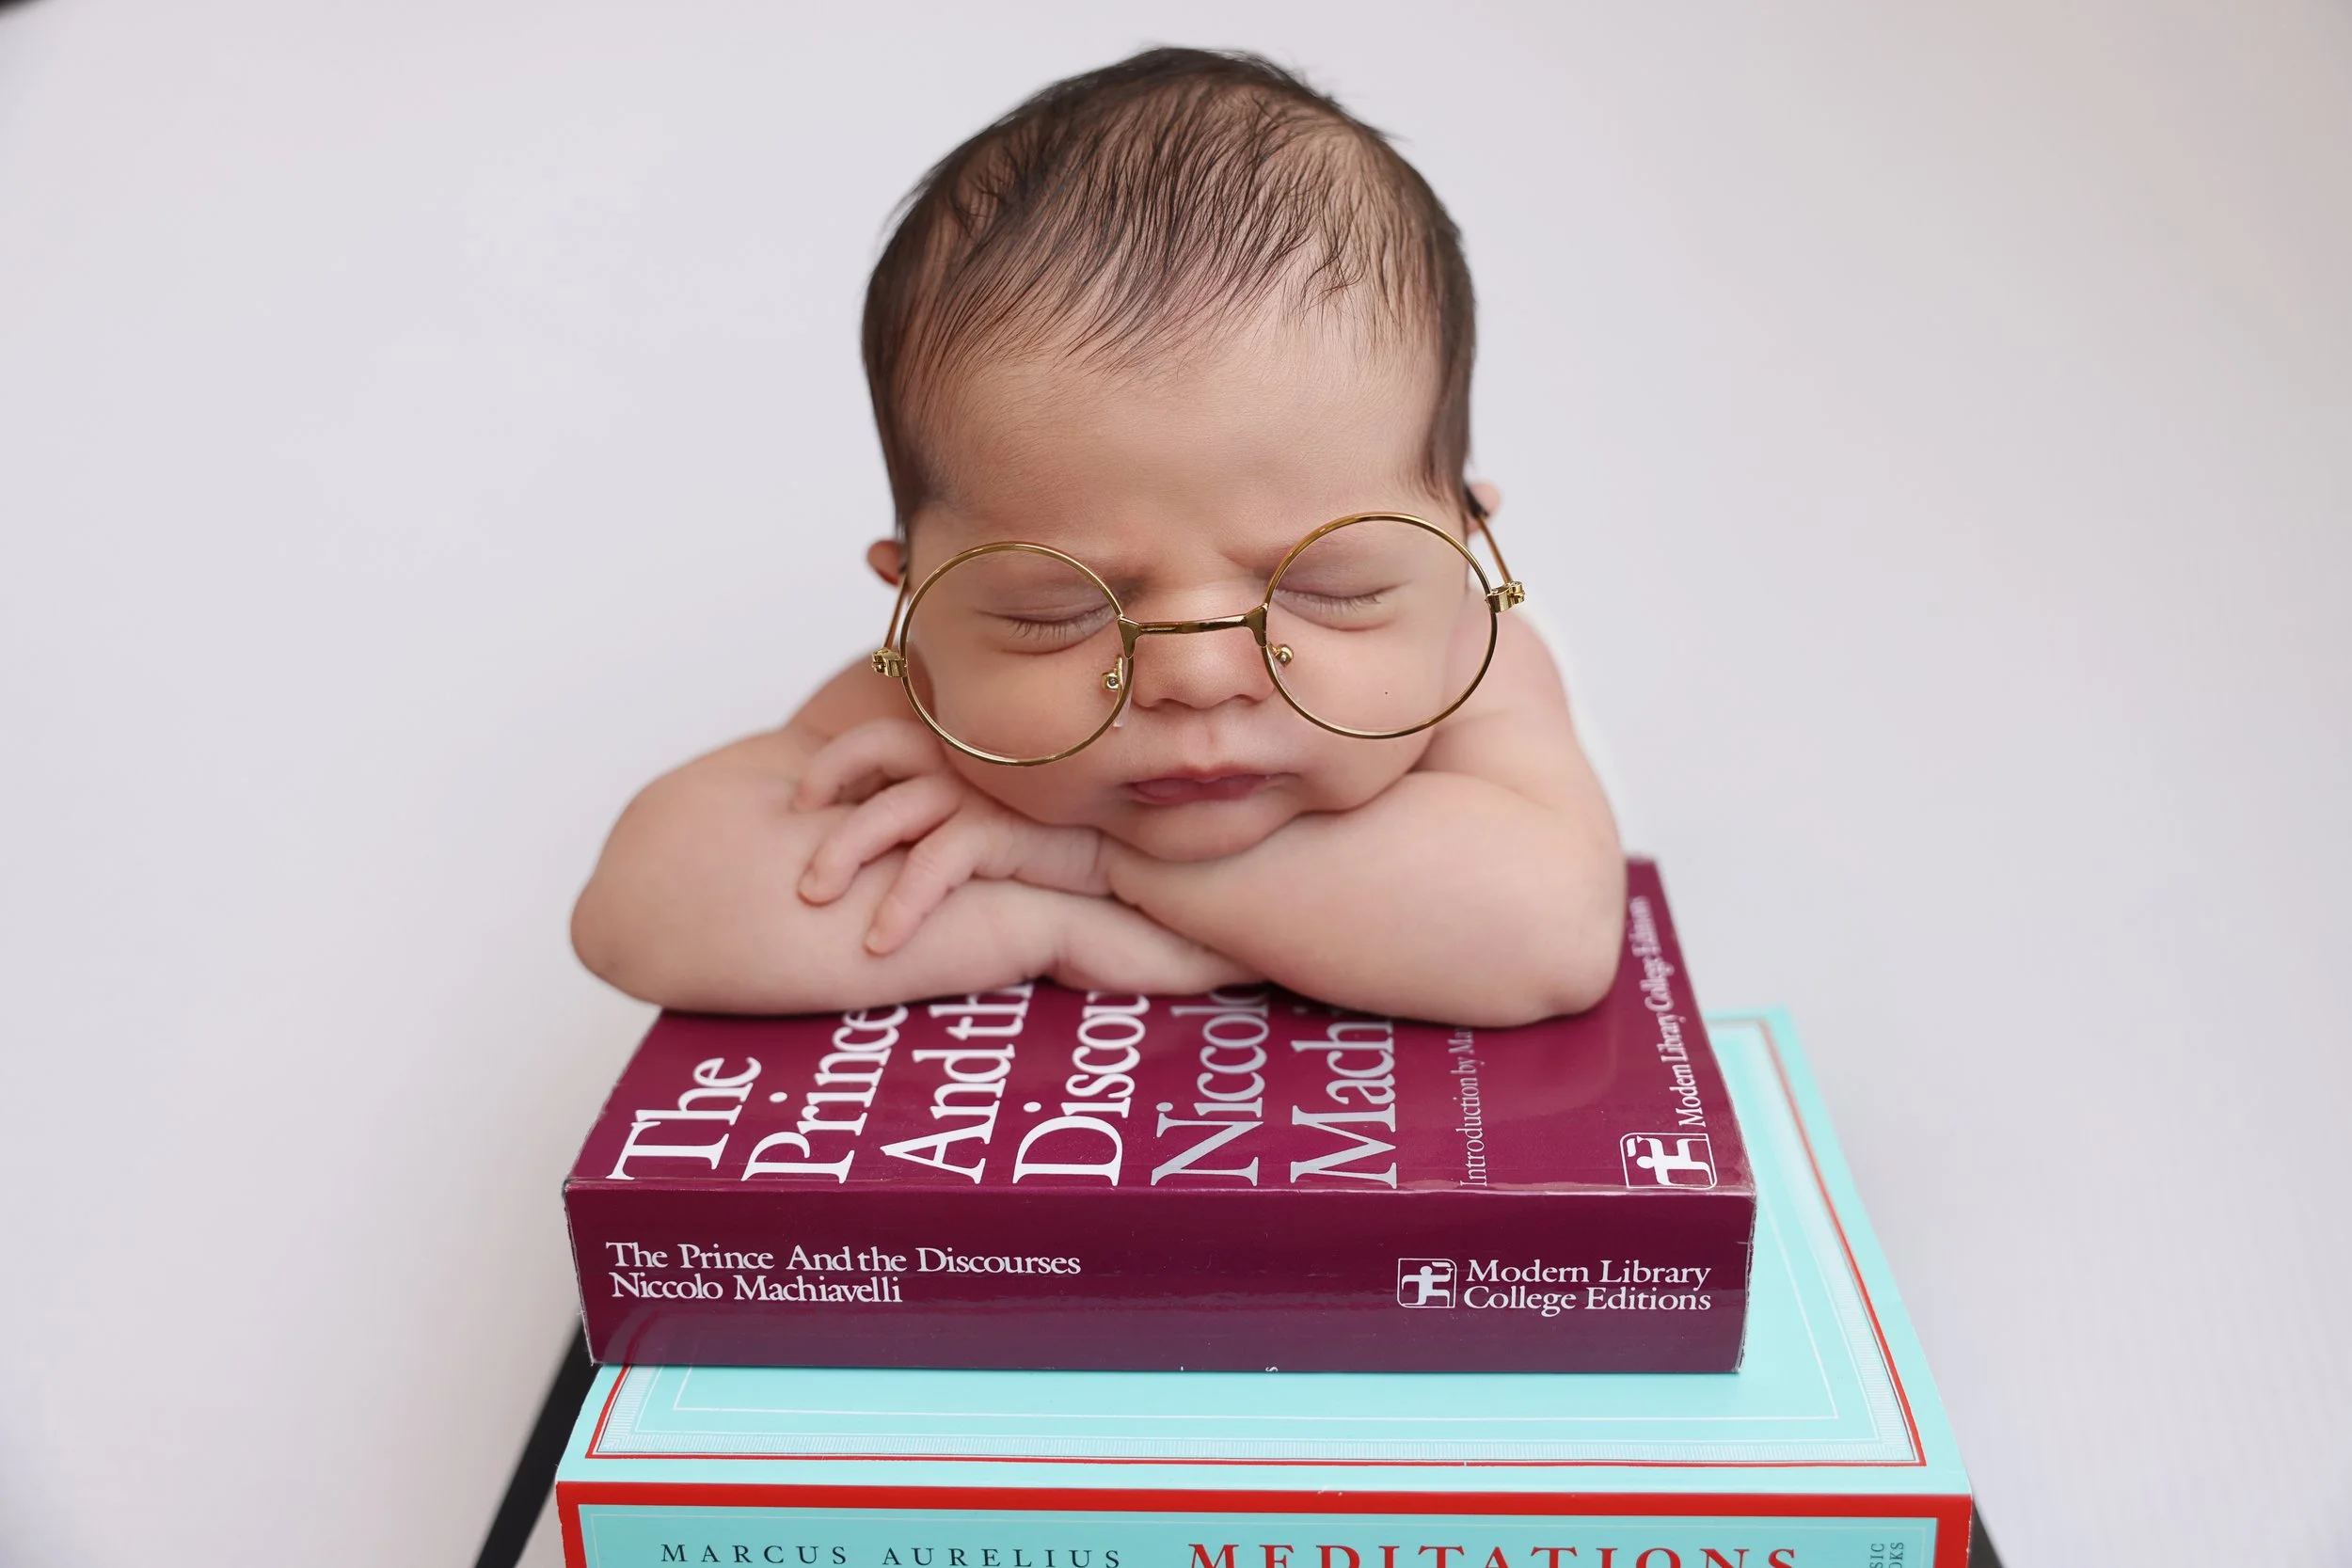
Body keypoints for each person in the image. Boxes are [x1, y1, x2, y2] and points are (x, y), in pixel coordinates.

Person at [572, 48, 1623, 1027]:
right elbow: (636, 912)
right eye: (1056, 611)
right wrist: (1045, 925)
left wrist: (1081, 860)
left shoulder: (1471, 673)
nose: (1198, 674)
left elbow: (1550, 933)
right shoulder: (927, 701)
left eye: (1331, 587)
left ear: (1465, 546)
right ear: (917, 599)